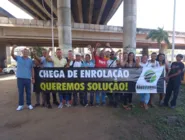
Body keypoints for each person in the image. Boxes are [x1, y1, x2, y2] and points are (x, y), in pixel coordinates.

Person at [11, 45, 34, 111]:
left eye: (26, 52)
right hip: (20, 79)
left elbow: (32, 69)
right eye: (24, 52)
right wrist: (13, 48)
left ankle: (29, 104)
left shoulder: (30, 61)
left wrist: (33, 78)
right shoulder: (18, 58)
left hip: (27, 79)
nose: (25, 53)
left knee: (28, 92)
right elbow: (12, 55)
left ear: (28, 53)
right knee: (20, 92)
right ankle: (20, 105)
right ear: (22, 52)